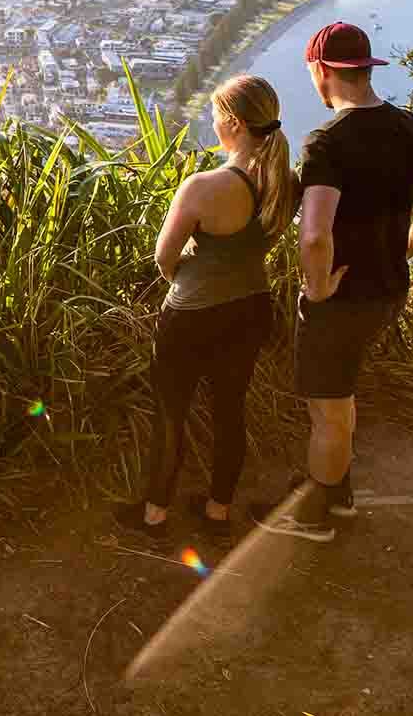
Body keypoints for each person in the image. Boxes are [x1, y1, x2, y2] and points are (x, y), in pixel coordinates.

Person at [255, 22, 413, 542]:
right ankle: (338, 494)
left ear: (322, 70)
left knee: (326, 407)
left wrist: (318, 285)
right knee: (341, 394)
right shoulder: (407, 126)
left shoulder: (327, 141)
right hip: (390, 287)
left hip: (342, 296)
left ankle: (313, 518)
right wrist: (410, 243)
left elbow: (314, 234)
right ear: (366, 69)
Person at [115, 75, 298, 540]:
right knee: (230, 409)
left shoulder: (203, 186)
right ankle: (218, 511)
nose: (211, 122)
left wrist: (188, 283)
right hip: (252, 308)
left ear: (233, 123)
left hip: (193, 315)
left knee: (171, 411)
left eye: (215, 114)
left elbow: (164, 256)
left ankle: (155, 513)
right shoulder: (284, 181)